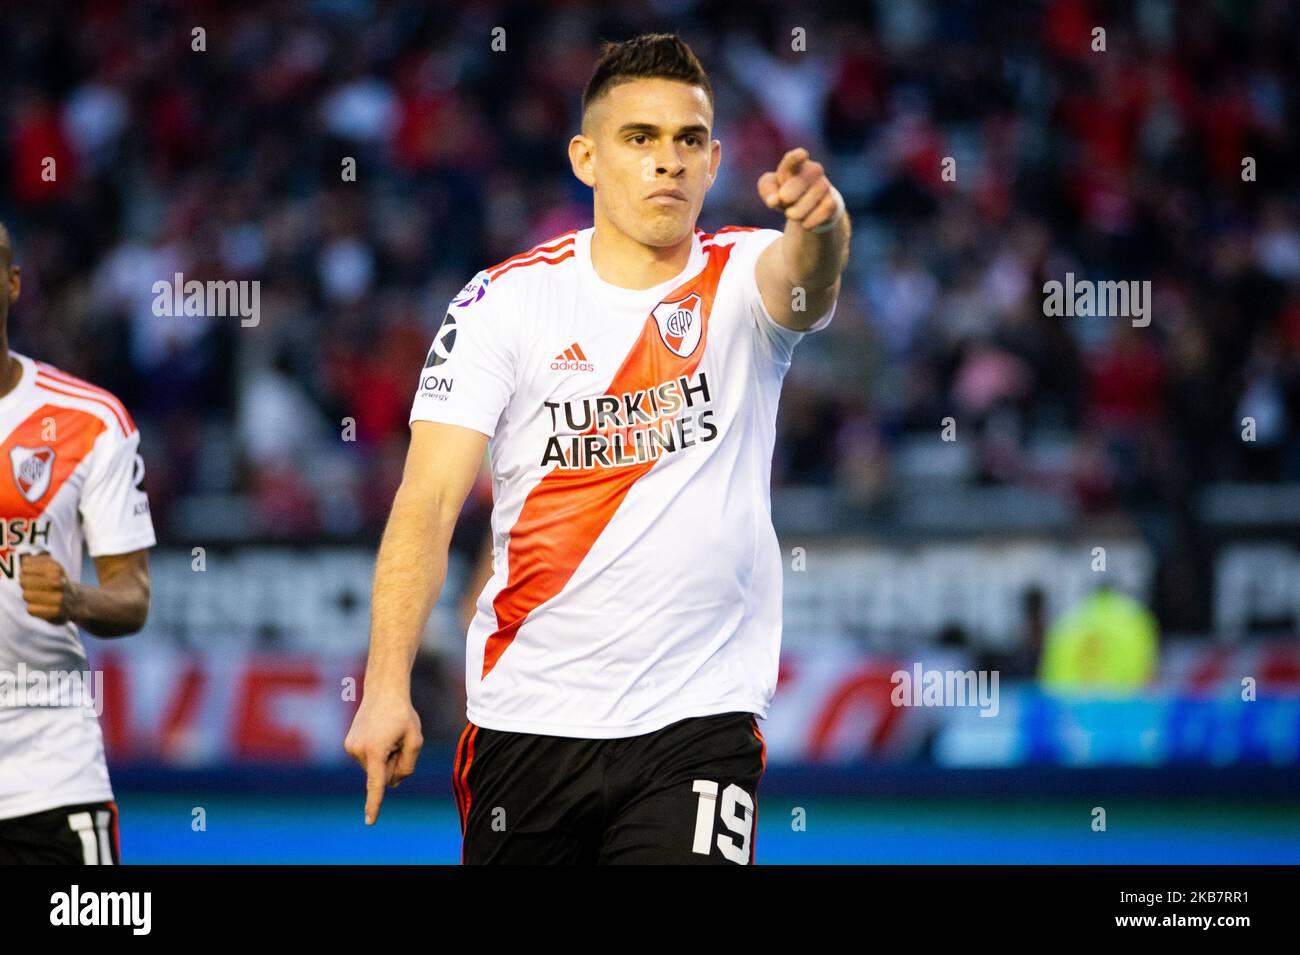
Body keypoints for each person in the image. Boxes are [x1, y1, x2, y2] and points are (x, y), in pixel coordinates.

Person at [345, 32, 850, 864]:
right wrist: (387, 682)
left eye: (689, 141)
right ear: (585, 156)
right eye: (639, 138)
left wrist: (824, 222)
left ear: (716, 159)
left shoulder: (745, 278)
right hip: (527, 722)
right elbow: (428, 501)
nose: (669, 162)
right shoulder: (503, 303)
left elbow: (810, 276)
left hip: (700, 721)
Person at [0, 220, 156, 864]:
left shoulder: (90, 420)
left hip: (47, 773)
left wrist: (73, 599)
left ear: (11, 285)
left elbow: (133, 598)